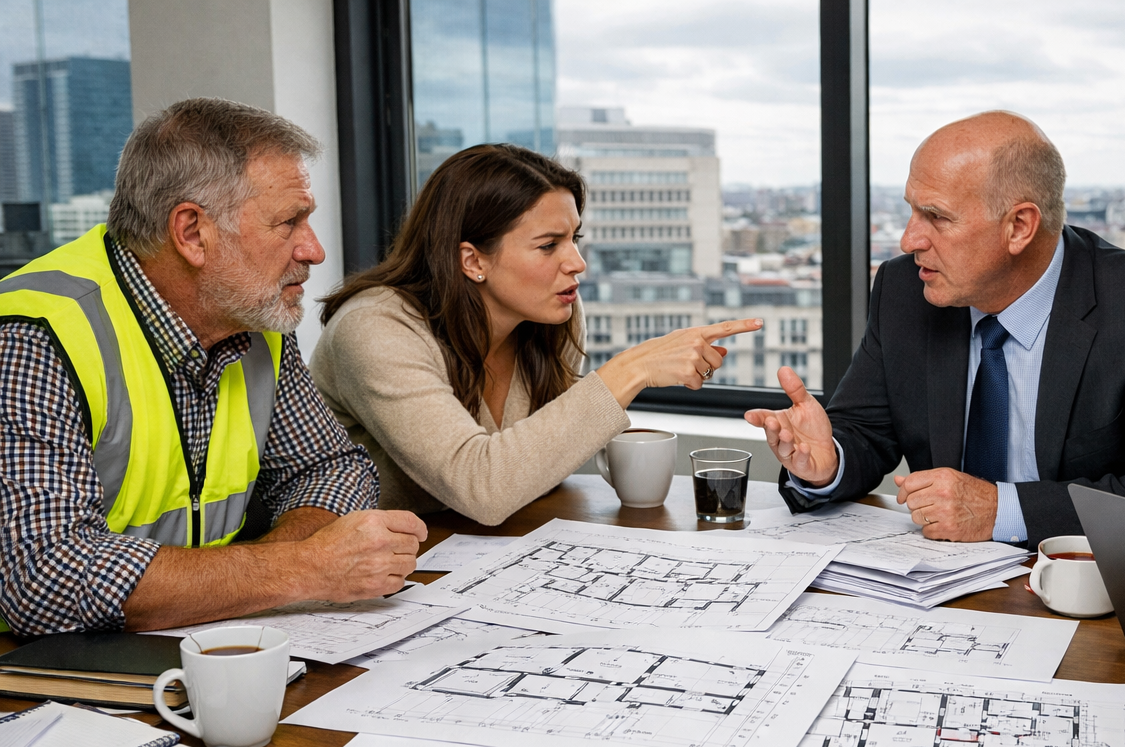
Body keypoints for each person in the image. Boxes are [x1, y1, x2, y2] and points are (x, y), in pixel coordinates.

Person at [0, 98, 423, 636]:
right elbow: (44, 579)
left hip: (198, 641)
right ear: (192, 233)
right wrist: (304, 569)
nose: (313, 250)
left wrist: (252, 579)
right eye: (289, 222)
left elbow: (331, 469)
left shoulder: (252, 318)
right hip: (37, 681)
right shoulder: (35, 338)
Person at [745, 111, 1125, 545]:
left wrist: (1003, 511)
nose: (909, 239)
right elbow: (866, 431)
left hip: (1085, 590)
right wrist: (829, 461)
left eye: (936, 217)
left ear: (1019, 226)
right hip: (937, 586)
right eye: (912, 211)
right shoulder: (904, 289)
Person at [311, 145, 761, 524]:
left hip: (472, 553)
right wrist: (633, 369)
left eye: (574, 239)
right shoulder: (374, 329)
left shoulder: (555, 315)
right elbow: (481, 489)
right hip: (355, 578)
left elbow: (536, 465)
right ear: (473, 261)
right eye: (549, 246)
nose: (576, 263)